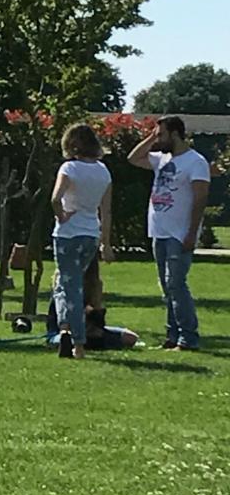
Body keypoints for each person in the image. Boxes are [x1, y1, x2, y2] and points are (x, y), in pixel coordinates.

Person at [127, 115, 210, 351]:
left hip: (179, 233)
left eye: (161, 135)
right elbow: (133, 158)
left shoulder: (196, 162)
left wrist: (191, 233)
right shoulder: (161, 159)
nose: (158, 140)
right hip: (159, 231)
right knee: (166, 286)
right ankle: (172, 336)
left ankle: (188, 338)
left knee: (176, 284)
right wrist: (151, 136)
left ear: (175, 134)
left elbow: (200, 199)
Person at [51, 123, 115, 359]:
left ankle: (76, 340)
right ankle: (65, 329)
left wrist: (61, 216)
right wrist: (106, 243)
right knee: (65, 284)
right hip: (90, 234)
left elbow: (55, 199)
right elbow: (106, 211)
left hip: (68, 234)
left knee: (71, 288)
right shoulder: (103, 171)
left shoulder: (69, 168)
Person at [46, 255, 139, 351]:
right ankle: (83, 344)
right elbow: (64, 322)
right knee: (67, 338)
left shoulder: (92, 287)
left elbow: (99, 323)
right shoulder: (64, 287)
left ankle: (89, 343)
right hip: (62, 332)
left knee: (130, 337)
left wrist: (96, 304)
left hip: (89, 330)